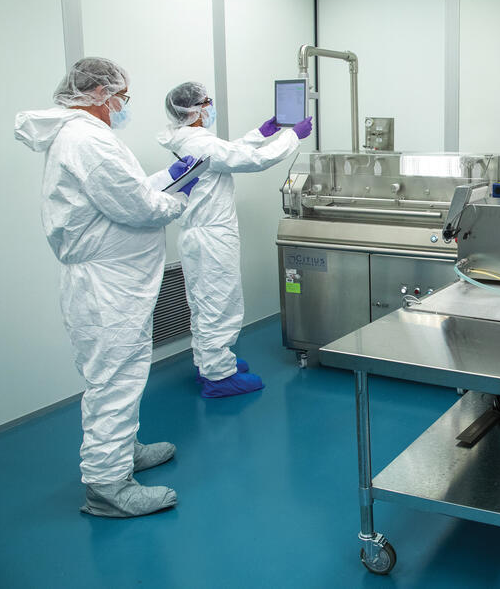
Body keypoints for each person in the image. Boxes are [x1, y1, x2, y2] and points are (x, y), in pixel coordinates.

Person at [15, 57, 200, 517]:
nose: (123, 105)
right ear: (100, 93)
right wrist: (177, 197)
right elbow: (137, 206)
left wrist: (171, 177)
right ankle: (107, 486)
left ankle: (124, 450)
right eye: (122, 97)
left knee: (126, 370)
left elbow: (126, 190)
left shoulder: (87, 137)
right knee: (114, 379)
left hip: (115, 282)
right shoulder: (87, 139)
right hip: (106, 285)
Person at [157, 82, 312, 398]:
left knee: (203, 304)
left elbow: (229, 152)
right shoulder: (201, 143)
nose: (211, 106)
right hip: (212, 237)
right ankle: (219, 376)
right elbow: (253, 161)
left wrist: (262, 131)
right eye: (208, 102)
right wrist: (293, 135)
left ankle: (210, 363)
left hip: (196, 235)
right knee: (219, 304)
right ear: (196, 109)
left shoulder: (189, 138)